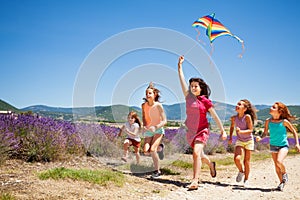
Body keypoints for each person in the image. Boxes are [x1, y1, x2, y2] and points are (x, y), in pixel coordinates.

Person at [177, 55, 227, 190]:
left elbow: (215, 117)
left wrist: (223, 130)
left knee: (196, 153)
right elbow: (181, 81)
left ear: (200, 88)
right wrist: (180, 67)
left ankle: (195, 180)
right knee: (200, 155)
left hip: (202, 130)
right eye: (191, 86)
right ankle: (211, 165)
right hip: (190, 132)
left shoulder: (205, 101)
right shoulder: (188, 97)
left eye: (195, 86)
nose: (193, 88)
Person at [256, 102, 300, 191]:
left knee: (279, 161)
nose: (271, 108)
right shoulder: (268, 121)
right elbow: (265, 133)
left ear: (279, 111)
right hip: (273, 145)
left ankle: (284, 174)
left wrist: (297, 143)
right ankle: (281, 183)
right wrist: (260, 137)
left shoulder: (284, 122)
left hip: (283, 145)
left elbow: (294, 131)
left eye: (273, 107)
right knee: (276, 166)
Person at [228, 99, 257, 187]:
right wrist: (230, 137)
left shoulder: (247, 117)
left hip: (249, 141)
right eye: (237, 104)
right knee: (237, 159)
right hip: (240, 140)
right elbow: (232, 127)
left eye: (240, 104)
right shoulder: (234, 118)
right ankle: (241, 171)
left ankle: (246, 179)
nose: (237, 105)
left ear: (244, 109)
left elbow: (251, 130)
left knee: (246, 161)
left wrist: (241, 131)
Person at [142, 82, 167, 178]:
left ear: (154, 95)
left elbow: (165, 121)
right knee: (146, 151)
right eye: (146, 93)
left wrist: (156, 127)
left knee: (152, 150)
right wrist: (144, 126)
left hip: (158, 130)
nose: (148, 95)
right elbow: (144, 117)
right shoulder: (144, 105)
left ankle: (157, 171)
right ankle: (160, 148)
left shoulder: (158, 105)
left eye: (150, 93)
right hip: (149, 130)